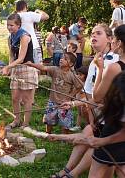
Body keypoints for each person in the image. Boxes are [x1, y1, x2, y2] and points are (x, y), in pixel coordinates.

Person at [49, 24, 120, 178]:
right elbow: (89, 94)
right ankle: (67, 170)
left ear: (110, 39)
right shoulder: (93, 63)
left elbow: (109, 96)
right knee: (87, 133)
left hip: (113, 118)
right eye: (92, 33)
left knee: (93, 142)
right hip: (98, 116)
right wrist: (91, 117)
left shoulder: (116, 61)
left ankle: (71, 173)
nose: (93, 36)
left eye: (98, 33)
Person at [26, 52, 82, 134]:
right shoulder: (55, 69)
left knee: (65, 122)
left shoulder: (71, 75)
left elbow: (79, 86)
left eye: (65, 59)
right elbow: (43, 68)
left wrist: (70, 96)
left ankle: (64, 137)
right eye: (62, 57)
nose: (61, 59)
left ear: (71, 64)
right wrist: (31, 64)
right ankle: (48, 133)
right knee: (49, 119)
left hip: (64, 103)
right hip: (52, 101)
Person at [1, 13, 37, 128]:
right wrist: (9, 68)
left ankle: (25, 124)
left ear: (19, 25)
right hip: (15, 68)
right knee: (15, 97)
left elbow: (21, 58)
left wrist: (7, 67)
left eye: (11, 25)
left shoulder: (24, 36)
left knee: (26, 99)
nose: (9, 27)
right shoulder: (10, 37)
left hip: (27, 67)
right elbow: (12, 55)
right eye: (8, 25)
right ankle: (16, 120)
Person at [87, 72, 125, 178]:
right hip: (112, 129)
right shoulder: (120, 82)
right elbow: (96, 99)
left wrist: (102, 141)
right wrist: (73, 104)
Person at [15, 0, 49, 64]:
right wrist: (38, 10)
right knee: (37, 67)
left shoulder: (13, 17)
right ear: (25, 7)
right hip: (33, 45)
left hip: (18, 47)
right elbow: (46, 16)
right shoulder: (29, 14)